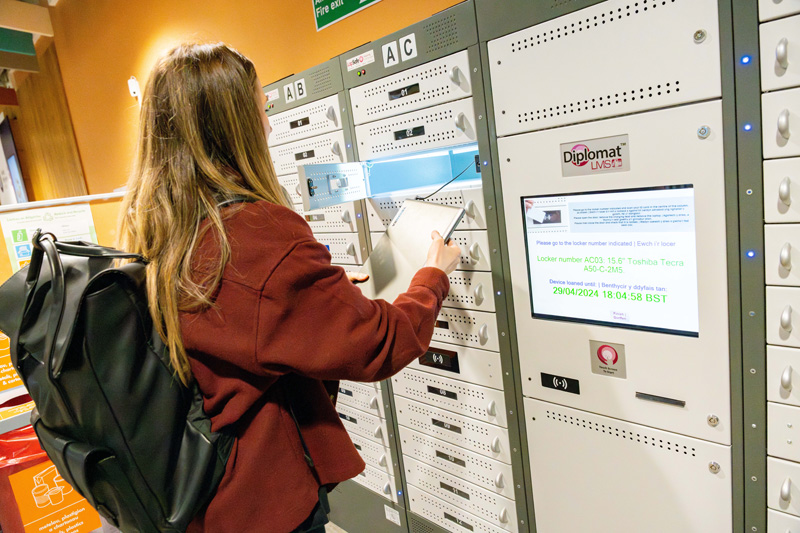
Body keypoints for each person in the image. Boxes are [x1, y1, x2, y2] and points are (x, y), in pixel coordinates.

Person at [117, 42, 461, 532]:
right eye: (261, 111)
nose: (271, 126)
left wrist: (316, 294)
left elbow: (237, 317)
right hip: (261, 503)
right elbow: (377, 345)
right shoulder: (256, 232)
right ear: (232, 129)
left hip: (195, 497)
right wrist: (432, 276)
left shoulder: (159, 229)